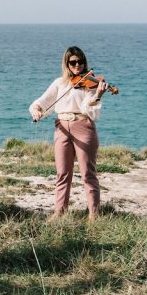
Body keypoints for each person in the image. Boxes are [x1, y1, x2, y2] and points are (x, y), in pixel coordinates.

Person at [29, 46, 109, 219]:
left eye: (81, 62)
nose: (77, 65)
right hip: (62, 128)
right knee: (63, 173)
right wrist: (36, 109)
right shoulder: (59, 83)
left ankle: (94, 215)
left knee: (88, 173)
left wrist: (98, 95)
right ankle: (59, 213)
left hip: (83, 126)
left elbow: (90, 110)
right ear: (67, 63)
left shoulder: (90, 85)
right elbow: (43, 101)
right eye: (73, 62)